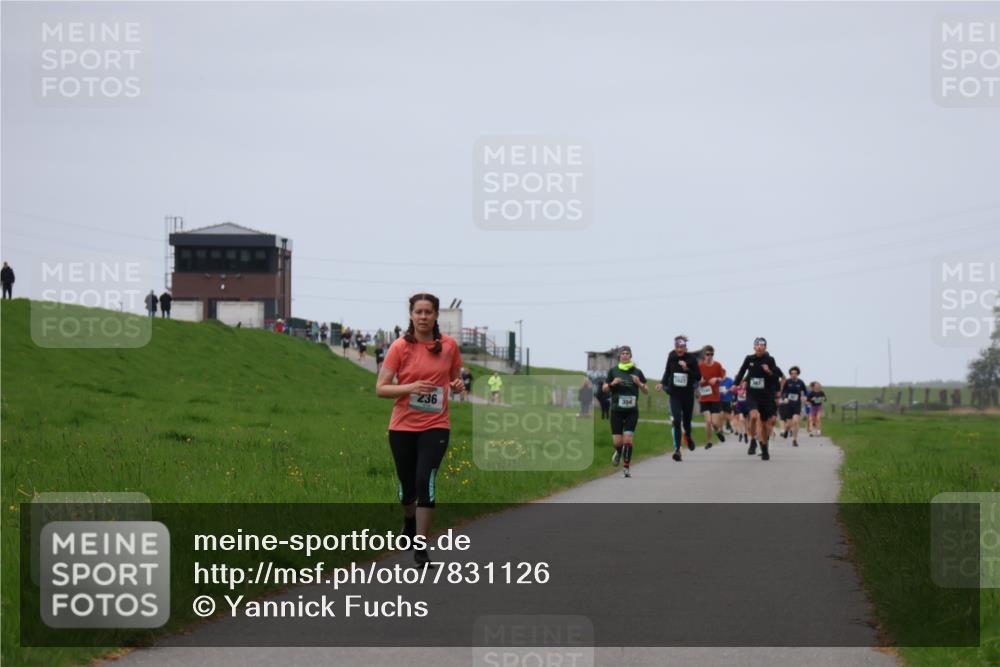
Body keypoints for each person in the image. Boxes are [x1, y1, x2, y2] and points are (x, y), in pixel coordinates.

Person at [376, 292, 465, 568]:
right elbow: (381, 388)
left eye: (428, 312)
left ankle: (421, 547)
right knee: (407, 488)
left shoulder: (449, 346)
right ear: (411, 315)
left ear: (436, 315)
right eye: (419, 312)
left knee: (425, 481)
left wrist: (458, 386)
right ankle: (409, 520)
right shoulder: (400, 347)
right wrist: (411, 387)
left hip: (436, 426)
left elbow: (456, 380)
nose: (423, 316)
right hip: (402, 426)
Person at [733, 337, 784, 461]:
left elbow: (776, 378)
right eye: (757, 345)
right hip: (752, 395)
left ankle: (764, 448)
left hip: (766, 396)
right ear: (754, 347)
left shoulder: (770, 360)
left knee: (765, 425)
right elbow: (742, 371)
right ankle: (752, 439)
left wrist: (769, 371)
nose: (760, 347)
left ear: (765, 347)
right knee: (754, 416)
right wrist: (736, 384)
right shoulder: (749, 359)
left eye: (762, 345)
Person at [603, 346, 648, 478]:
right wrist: (612, 383)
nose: (625, 355)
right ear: (619, 356)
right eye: (622, 353)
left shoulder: (637, 372)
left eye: (627, 353)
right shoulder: (613, 371)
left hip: (632, 411)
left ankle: (626, 467)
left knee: (628, 439)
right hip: (616, 411)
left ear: (630, 356)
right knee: (617, 442)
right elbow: (604, 389)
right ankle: (618, 451)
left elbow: (646, 391)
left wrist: (639, 383)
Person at [656, 336, 702, 462]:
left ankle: (688, 437)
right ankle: (677, 450)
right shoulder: (671, 356)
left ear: (685, 347)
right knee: (676, 420)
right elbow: (667, 371)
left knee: (686, 422)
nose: (679, 349)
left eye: (682, 347)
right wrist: (662, 383)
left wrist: (687, 369)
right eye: (677, 347)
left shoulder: (691, 359)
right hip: (675, 394)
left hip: (687, 395)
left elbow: (698, 376)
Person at [697, 345, 727, 449]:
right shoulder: (700, 366)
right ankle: (709, 442)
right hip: (704, 399)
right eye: (707, 354)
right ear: (704, 355)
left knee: (714, 423)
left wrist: (716, 379)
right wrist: (700, 381)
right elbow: (696, 380)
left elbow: (723, 377)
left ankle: (718, 431)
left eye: (711, 354)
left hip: (715, 398)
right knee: (708, 421)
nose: (709, 356)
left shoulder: (717, 365)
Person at [779, 366, 808, 447]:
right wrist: (784, 398)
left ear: (797, 374)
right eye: (792, 373)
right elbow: (783, 392)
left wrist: (804, 397)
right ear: (790, 374)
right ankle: (786, 430)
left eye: (795, 373)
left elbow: (805, 392)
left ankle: (794, 440)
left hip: (797, 404)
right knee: (789, 424)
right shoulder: (788, 382)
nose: (793, 375)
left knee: (795, 422)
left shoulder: (801, 382)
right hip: (788, 404)